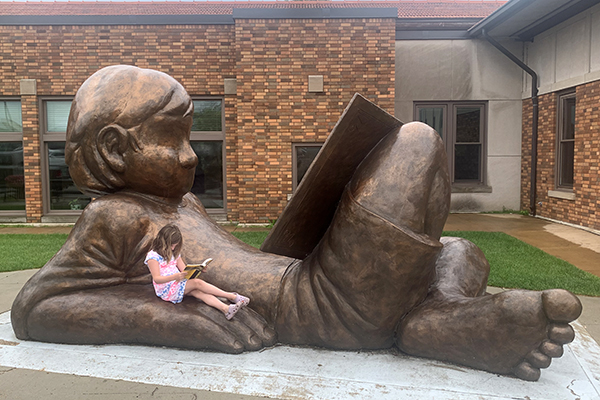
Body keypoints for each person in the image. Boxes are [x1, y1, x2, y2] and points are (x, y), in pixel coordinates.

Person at [11, 65, 581, 381]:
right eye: (174, 139)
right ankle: (420, 322)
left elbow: (220, 264)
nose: (192, 156)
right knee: (417, 140)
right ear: (114, 151)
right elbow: (35, 308)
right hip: (318, 306)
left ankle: (432, 323)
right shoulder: (111, 215)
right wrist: (175, 322)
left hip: (311, 281)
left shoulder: (177, 207)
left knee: (459, 251)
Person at [145, 224, 249, 320]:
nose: (173, 248)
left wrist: (198, 269)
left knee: (199, 293)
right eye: (171, 245)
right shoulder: (153, 256)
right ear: (163, 242)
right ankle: (232, 296)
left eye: (175, 246)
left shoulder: (174, 253)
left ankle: (226, 309)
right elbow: (157, 279)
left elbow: (184, 270)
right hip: (166, 289)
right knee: (197, 283)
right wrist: (174, 277)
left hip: (178, 283)